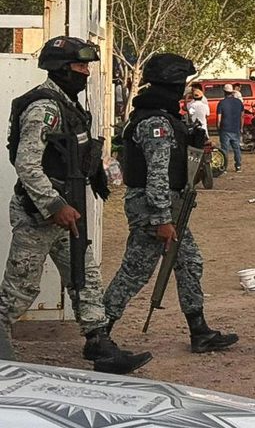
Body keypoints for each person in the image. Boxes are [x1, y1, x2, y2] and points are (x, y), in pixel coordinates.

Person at [1, 36, 151, 373]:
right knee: (21, 285)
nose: (85, 72)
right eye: (79, 66)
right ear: (61, 68)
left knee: (86, 278)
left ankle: (99, 343)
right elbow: (27, 165)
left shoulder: (69, 105)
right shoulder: (45, 108)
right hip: (40, 214)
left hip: (69, 211)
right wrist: (54, 205)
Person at [103, 53, 238, 353]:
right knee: (134, 272)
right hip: (154, 209)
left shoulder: (165, 117)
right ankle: (99, 332)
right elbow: (157, 175)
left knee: (189, 263)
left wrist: (193, 142)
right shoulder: (155, 122)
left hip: (170, 207)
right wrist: (162, 219)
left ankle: (199, 330)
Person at [217, 84, 244, 172]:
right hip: (235, 128)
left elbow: (219, 118)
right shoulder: (239, 102)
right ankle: (238, 166)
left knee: (225, 149)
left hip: (225, 128)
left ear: (224, 92)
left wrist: (218, 127)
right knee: (237, 148)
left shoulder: (221, 103)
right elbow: (242, 116)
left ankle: (224, 167)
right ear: (232, 92)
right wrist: (241, 127)